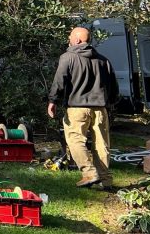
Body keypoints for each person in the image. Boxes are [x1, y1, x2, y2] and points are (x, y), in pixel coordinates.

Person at [47, 26, 120, 188]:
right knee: (102, 144)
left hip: (77, 108)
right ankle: (106, 180)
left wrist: (52, 101)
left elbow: (60, 81)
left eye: (70, 37)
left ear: (78, 40)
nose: (69, 40)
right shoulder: (103, 60)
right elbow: (113, 85)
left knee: (75, 141)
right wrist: (112, 102)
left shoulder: (68, 57)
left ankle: (89, 173)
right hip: (100, 109)